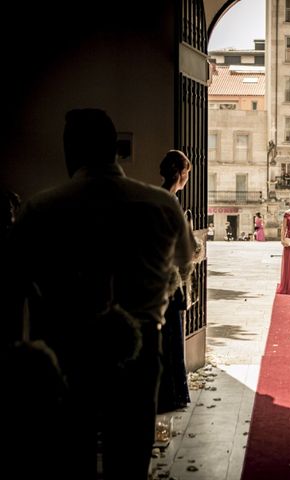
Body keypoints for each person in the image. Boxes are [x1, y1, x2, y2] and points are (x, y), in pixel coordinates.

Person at [4, 109, 194, 479]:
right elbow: (184, 262)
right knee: (130, 457)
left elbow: (12, 284)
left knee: (70, 454)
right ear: (115, 149)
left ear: (70, 151)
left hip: (67, 354)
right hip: (140, 352)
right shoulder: (161, 205)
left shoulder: (40, 210)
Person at [157, 149, 198, 414]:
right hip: (170, 279)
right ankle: (172, 395)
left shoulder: (153, 197)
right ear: (181, 174)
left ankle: (165, 392)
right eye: (187, 173)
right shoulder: (171, 203)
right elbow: (188, 250)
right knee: (172, 338)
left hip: (154, 276)